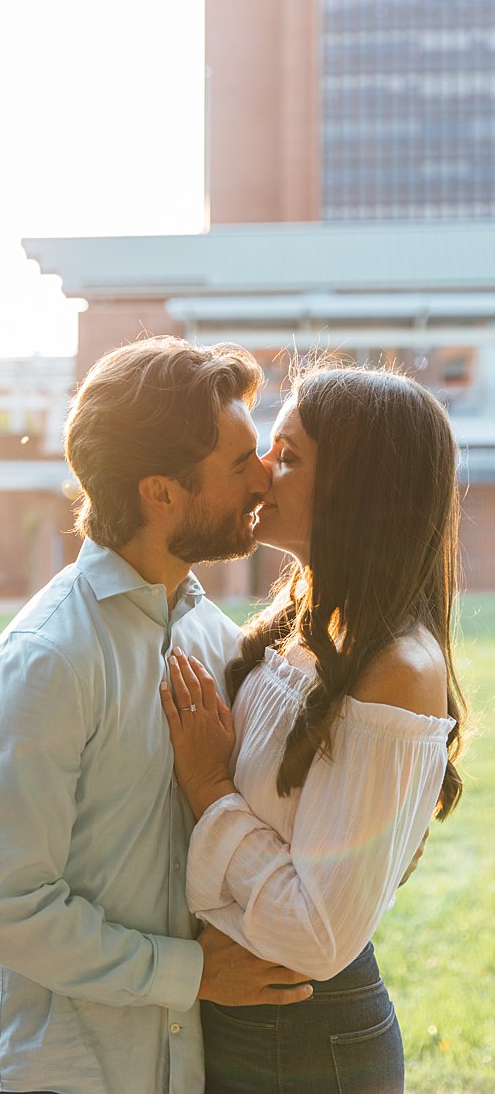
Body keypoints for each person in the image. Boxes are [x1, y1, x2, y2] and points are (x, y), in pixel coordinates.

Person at [0, 337, 315, 1094]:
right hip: (45, 1071)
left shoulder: (216, 640)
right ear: (162, 491)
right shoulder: (46, 661)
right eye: (240, 461)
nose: (264, 476)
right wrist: (194, 972)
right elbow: (7, 910)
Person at [161, 366, 465, 1093]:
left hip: (303, 1038)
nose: (262, 471)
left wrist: (208, 787)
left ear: (359, 489)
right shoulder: (302, 627)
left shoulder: (398, 667)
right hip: (243, 1015)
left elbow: (318, 936)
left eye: (289, 455)